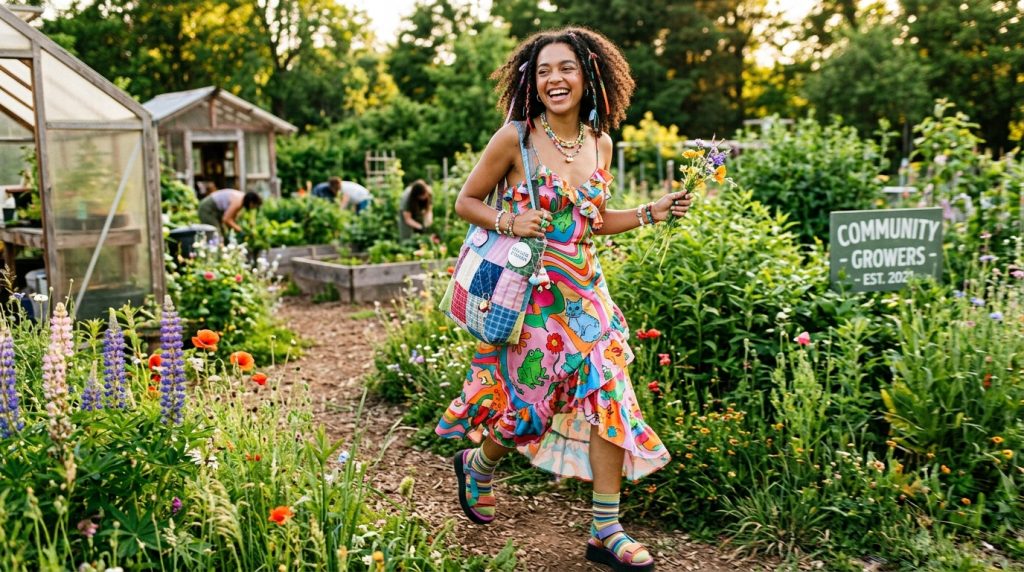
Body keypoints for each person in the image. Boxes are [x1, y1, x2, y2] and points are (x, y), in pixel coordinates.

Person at [435, 27, 692, 572]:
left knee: (610, 394)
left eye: (566, 69)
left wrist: (652, 211)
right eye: (545, 70)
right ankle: (478, 463)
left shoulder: (601, 143)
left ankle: (606, 529)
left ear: (589, 75)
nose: (555, 79)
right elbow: (466, 201)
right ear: (533, 79)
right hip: (532, 298)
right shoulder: (515, 138)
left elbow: (593, 223)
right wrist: (509, 219)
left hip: (587, 296)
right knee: (530, 410)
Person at [197, 187, 262, 238]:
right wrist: (240, 230)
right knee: (215, 234)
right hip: (207, 208)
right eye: (254, 205)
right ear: (251, 202)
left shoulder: (241, 199)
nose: (253, 208)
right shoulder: (238, 202)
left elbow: (233, 218)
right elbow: (226, 219)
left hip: (215, 209)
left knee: (222, 234)